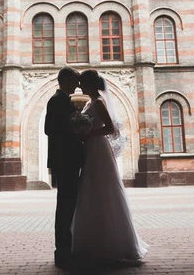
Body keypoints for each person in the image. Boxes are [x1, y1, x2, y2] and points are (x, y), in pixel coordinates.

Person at [71, 69, 149, 265]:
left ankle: (112, 243)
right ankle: (95, 242)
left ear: (89, 84)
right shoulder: (91, 102)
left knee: (103, 191)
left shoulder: (98, 102)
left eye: (82, 83)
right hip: (92, 148)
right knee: (91, 192)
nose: (79, 86)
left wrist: (89, 134)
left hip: (98, 148)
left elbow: (110, 128)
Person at [44, 66, 85, 268]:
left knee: (67, 205)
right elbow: (48, 129)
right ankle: (62, 252)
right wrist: (74, 129)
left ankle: (65, 249)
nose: (77, 86)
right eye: (75, 82)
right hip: (65, 160)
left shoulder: (63, 100)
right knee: (65, 207)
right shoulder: (57, 100)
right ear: (65, 81)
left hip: (67, 159)